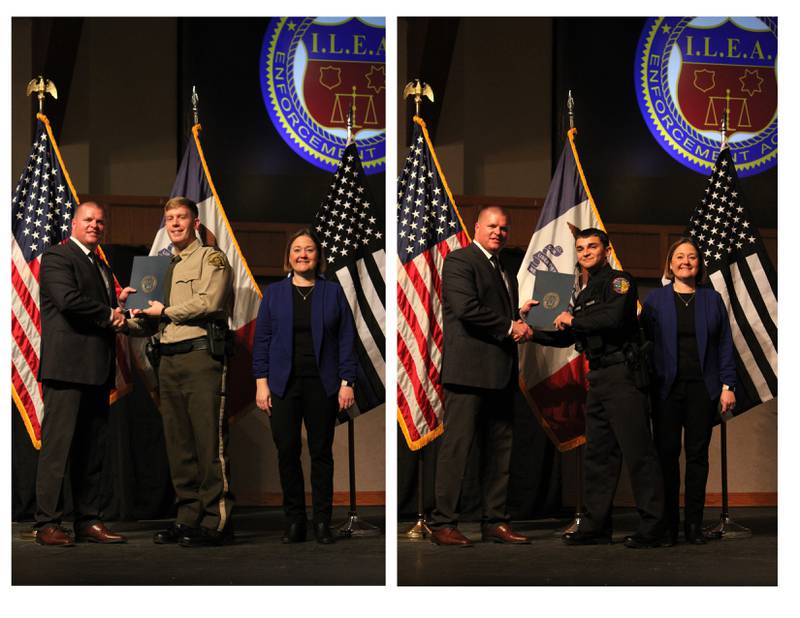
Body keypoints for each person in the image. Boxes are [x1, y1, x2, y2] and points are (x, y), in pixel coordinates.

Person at [521, 228, 664, 548]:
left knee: (639, 453)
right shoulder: (584, 294)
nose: (585, 252)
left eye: (592, 246)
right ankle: (597, 526)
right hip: (598, 378)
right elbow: (568, 335)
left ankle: (654, 528)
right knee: (598, 456)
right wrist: (533, 330)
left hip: (623, 376)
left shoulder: (619, 281)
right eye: (581, 248)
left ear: (606, 249)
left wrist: (573, 321)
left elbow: (613, 318)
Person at [126, 196, 234, 547]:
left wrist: (165, 310)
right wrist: (126, 319)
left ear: (195, 223)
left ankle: (216, 520)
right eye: (170, 218)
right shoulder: (159, 267)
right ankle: (187, 517)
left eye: (181, 218)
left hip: (200, 357)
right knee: (179, 445)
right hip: (168, 360)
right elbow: (150, 320)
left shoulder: (210, 258)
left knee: (208, 442)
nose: (174, 224)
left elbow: (209, 302)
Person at [429, 205, 533, 547]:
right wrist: (509, 325)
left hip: (500, 372)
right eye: (492, 226)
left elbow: (493, 309)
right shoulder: (461, 260)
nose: (498, 232)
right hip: (468, 373)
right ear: (477, 227)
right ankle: (443, 524)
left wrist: (518, 314)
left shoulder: (503, 266)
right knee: (457, 450)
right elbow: (466, 309)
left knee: (500, 452)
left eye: (504, 228)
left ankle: (495, 522)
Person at [34, 201, 131, 546]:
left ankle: (88, 520)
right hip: (66, 370)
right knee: (58, 450)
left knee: (92, 451)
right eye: (88, 219)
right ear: (74, 224)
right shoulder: (57, 257)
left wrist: (121, 309)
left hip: (96, 369)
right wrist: (109, 313)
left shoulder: (100, 266)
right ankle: (47, 523)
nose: (95, 225)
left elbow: (103, 311)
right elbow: (68, 300)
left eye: (100, 221)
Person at [252, 229, 357, 544]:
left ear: (318, 256)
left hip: (322, 384)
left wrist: (346, 382)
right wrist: (261, 384)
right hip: (283, 385)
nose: (302, 254)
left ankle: (322, 521)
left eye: (309, 249)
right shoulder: (273, 293)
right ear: (288, 256)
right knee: (287, 451)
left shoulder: (333, 292)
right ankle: (295, 521)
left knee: (321, 452)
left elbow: (347, 341)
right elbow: (262, 342)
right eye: (296, 249)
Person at [642, 238, 736, 545]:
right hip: (665, 390)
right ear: (670, 264)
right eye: (679, 257)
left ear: (699, 264)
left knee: (697, 457)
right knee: (666, 456)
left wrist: (727, 384)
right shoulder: (655, 300)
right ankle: (668, 526)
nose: (685, 261)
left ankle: (693, 525)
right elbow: (643, 344)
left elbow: (724, 344)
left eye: (692, 257)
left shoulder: (712, 299)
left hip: (702, 390)